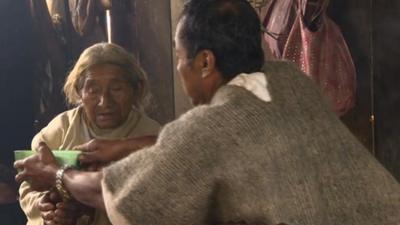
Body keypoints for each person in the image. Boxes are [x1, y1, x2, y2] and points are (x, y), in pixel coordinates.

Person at [15, 0, 400, 225]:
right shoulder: (289, 84)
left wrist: (56, 174)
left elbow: (118, 193)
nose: (103, 99)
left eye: (180, 59)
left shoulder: (213, 124)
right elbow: (218, 143)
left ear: (204, 62)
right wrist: (128, 147)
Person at [18, 42, 160, 225]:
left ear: (136, 89)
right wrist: (45, 207)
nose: (104, 102)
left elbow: (156, 206)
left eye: (116, 89)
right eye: (93, 90)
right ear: (79, 91)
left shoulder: (153, 136)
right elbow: (28, 186)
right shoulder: (60, 129)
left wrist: (89, 211)